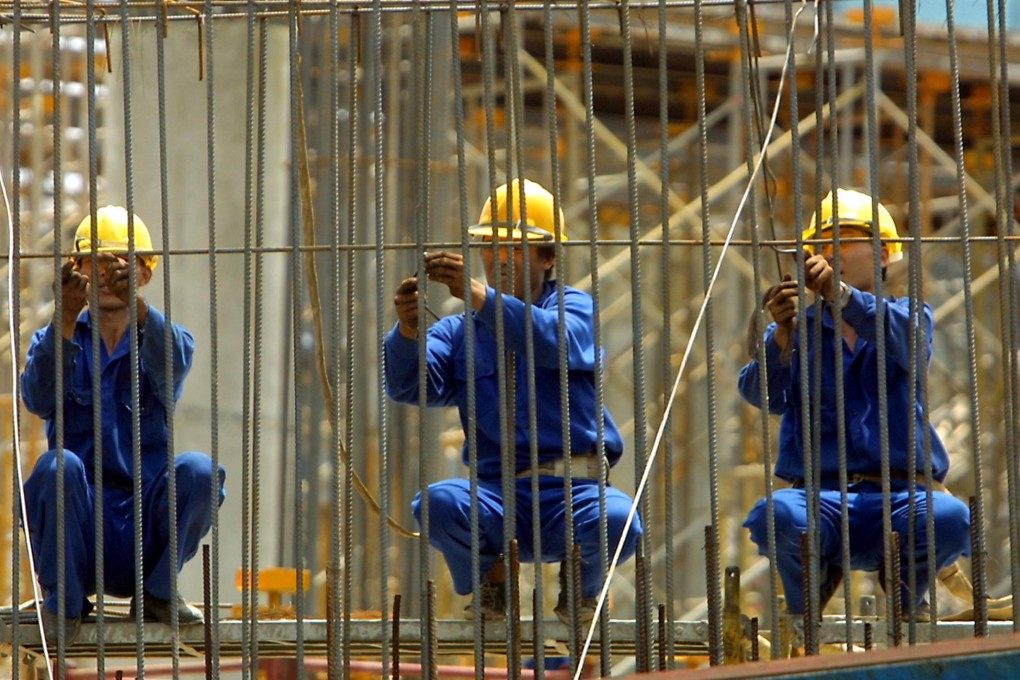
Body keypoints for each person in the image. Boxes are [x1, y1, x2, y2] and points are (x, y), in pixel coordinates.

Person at [384, 179, 642, 626]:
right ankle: (494, 582)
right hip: (496, 495)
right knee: (438, 503)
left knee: (620, 519)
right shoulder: (458, 330)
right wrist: (407, 335)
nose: (499, 257)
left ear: (548, 258)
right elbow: (411, 387)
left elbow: (555, 342)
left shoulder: (574, 307)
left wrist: (478, 294)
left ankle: (580, 592)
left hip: (573, 493)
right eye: (491, 246)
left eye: (517, 248)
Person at [740, 188, 970, 620]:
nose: (830, 253)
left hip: (901, 495)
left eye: (845, 240)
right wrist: (781, 341)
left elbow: (909, 345)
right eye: (822, 244)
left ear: (884, 254)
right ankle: (808, 594)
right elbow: (761, 396)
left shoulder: (909, 314)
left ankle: (908, 595)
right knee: (778, 515)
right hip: (823, 498)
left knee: (949, 516)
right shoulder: (797, 330)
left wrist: (842, 296)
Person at [21, 206, 226, 647]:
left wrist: (135, 306)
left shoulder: (166, 339)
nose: (108, 273)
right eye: (95, 262)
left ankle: (158, 592)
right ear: (77, 271)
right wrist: (65, 318)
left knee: (201, 471)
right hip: (79, 524)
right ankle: (65, 602)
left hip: (143, 524)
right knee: (57, 467)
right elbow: (37, 399)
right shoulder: (55, 339)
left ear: (145, 274)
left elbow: (173, 366)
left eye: (121, 264)